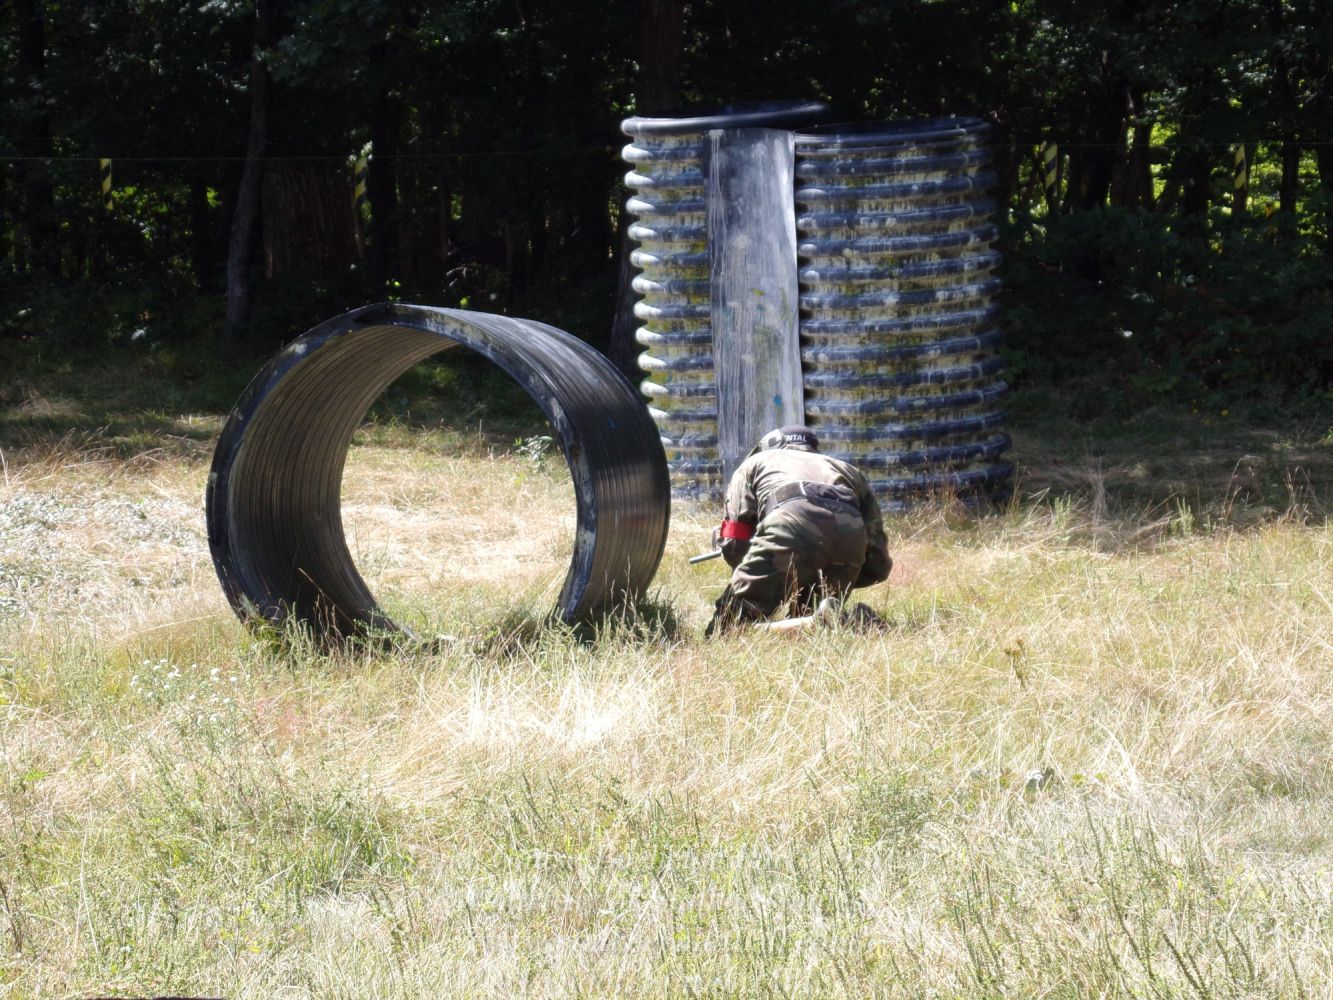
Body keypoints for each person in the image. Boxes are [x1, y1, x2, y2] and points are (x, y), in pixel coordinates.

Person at [706, 425, 892, 634]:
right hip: (849, 544)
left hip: (788, 527)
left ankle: (815, 623)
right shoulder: (848, 471)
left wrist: (757, 570)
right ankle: (852, 622)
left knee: (724, 631)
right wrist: (842, 573)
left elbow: (735, 543)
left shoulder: (754, 463)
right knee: (813, 625)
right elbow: (878, 563)